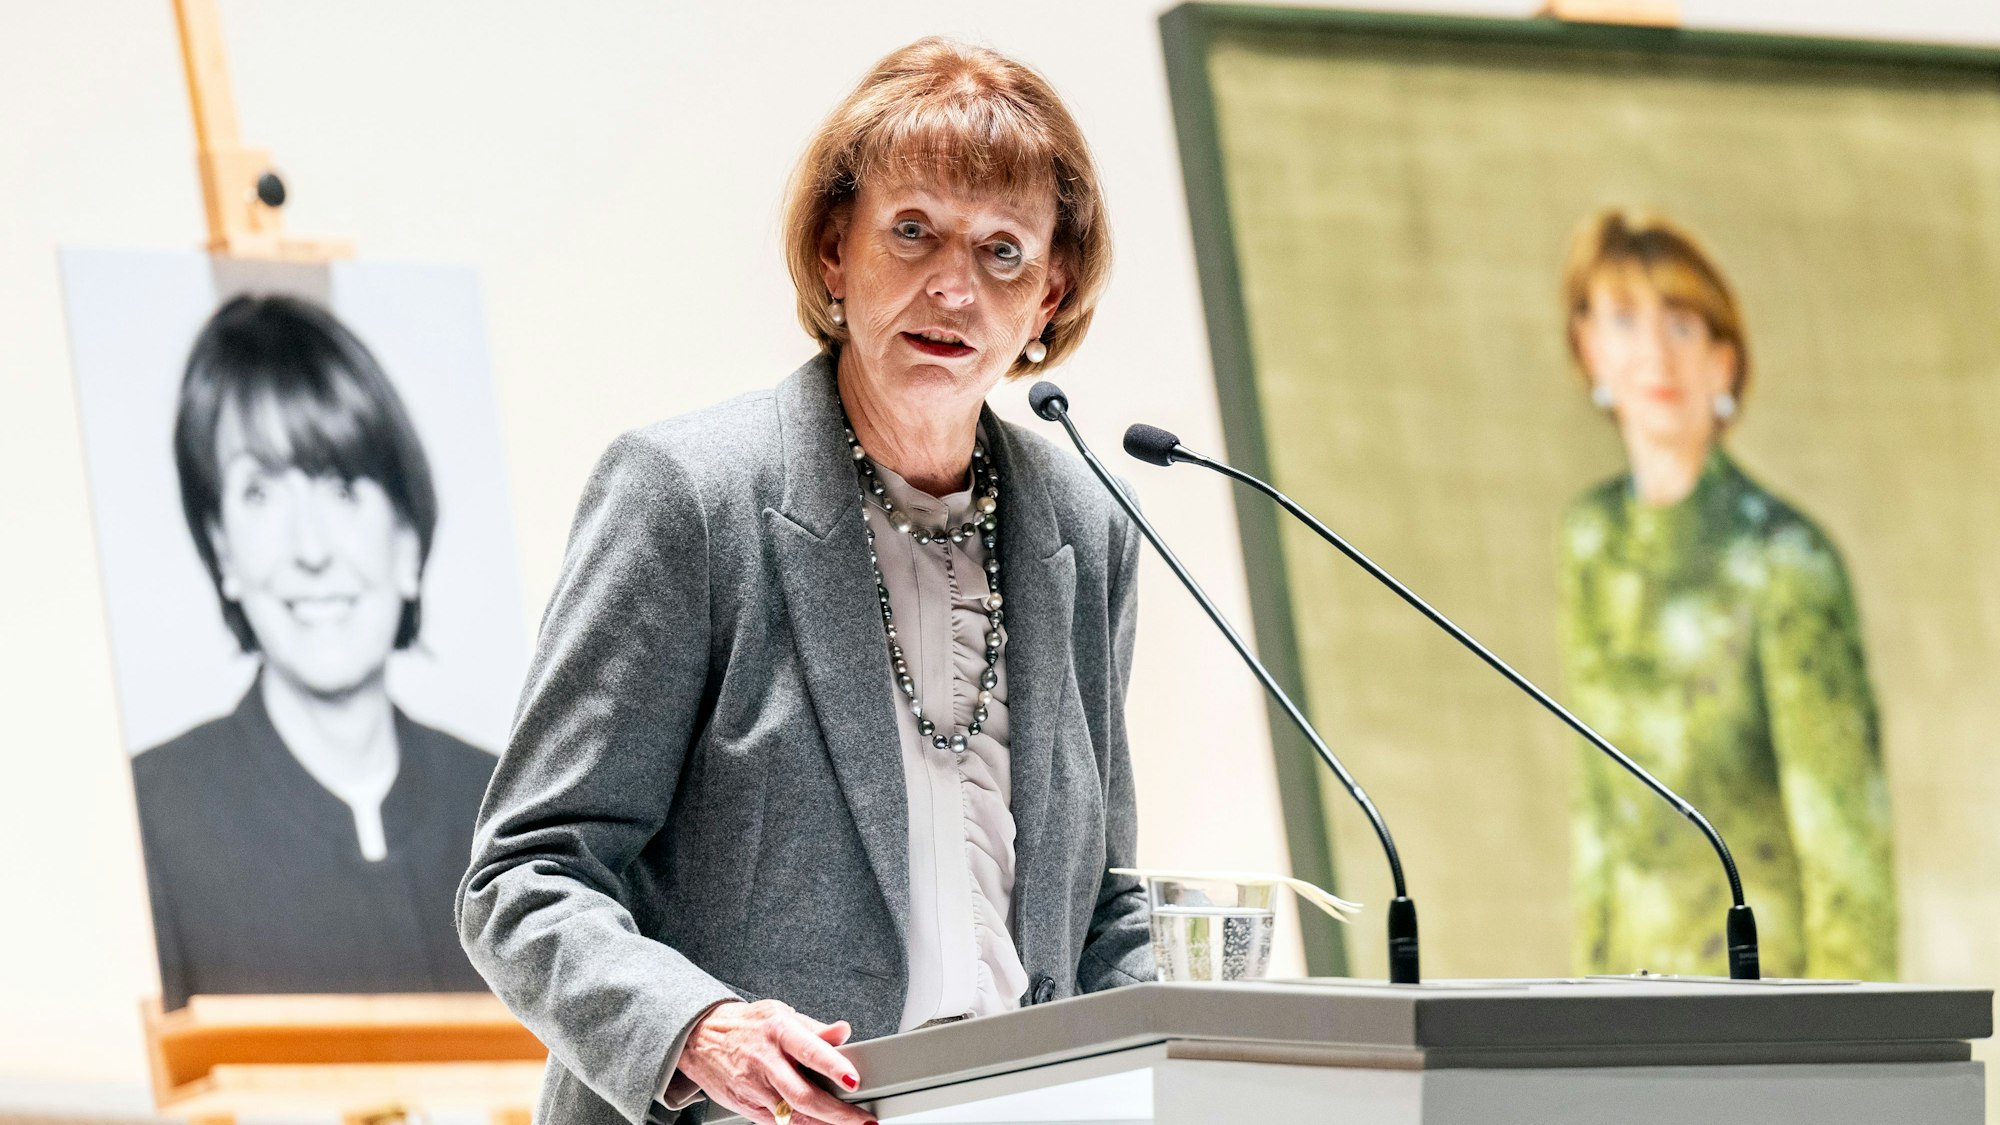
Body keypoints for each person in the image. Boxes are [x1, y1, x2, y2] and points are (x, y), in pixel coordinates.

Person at [458, 37, 1151, 1125]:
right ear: (835, 251)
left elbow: (1099, 898)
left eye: (1003, 252)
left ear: (1048, 295)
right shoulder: (689, 497)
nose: (953, 286)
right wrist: (698, 1030)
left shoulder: (1086, 526)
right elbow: (524, 876)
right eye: (912, 230)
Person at [1556, 209, 1896, 981]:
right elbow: (1598, 811)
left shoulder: (1786, 558)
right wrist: (1577, 1003)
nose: (1656, 352)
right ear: (1588, 346)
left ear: (1724, 361)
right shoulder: (1589, 539)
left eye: (1682, 324)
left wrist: (1850, 1042)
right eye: (1624, 318)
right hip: (1623, 999)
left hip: (1762, 998)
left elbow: (1847, 843)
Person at [135, 295, 495, 1010]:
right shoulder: (151, 816)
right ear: (222, 551)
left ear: (407, 540)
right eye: (260, 493)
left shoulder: (508, 813)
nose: (310, 549)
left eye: (342, 486)